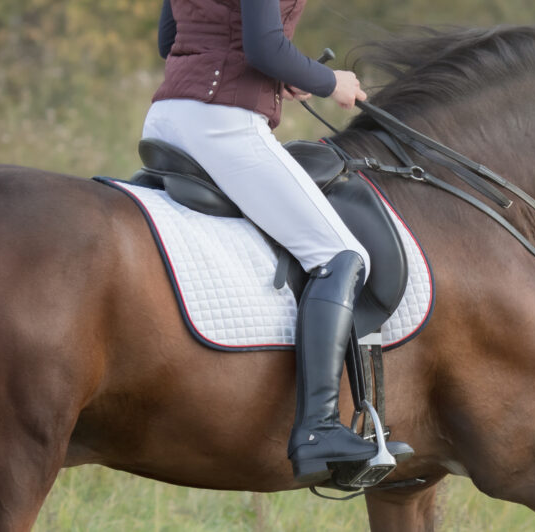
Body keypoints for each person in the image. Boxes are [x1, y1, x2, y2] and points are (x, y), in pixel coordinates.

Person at [144, 0, 403, 484]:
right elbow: (264, 47)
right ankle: (318, 428)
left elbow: (172, 40)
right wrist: (332, 83)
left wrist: (282, 73)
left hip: (168, 115)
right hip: (222, 124)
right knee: (342, 255)